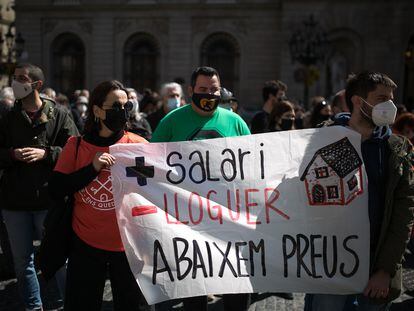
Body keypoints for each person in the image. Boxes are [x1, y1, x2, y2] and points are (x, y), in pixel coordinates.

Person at [306, 71, 414, 310]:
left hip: (375, 268)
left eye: (391, 99)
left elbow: (404, 212)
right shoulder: (323, 139)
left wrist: (386, 270)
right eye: (381, 98)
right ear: (357, 101)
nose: (390, 105)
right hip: (329, 265)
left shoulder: (396, 149)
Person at [152, 66, 251, 311]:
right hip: (188, 222)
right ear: (191, 90)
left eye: (214, 89)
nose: (209, 94)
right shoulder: (171, 122)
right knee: (194, 290)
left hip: (229, 220)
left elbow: (253, 165)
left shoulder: (235, 122)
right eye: (203, 89)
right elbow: (151, 161)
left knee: (235, 285)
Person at [48, 80, 149, 310]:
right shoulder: (76, 145)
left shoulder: (139, 145)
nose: (122, 112)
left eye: (126, 106)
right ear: (96, 110)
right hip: (85, 245)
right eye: (115, 106)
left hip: (129, 248)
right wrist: (91, 169)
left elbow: (156, 189)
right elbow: (55, 189)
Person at [0, 63, 79, 311]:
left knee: (59, 259)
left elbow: (74, 150)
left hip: (49, 200)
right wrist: (12, 155)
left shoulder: (60, 115)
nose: (15, 84)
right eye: (14, 79)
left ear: (37, 84)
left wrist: (45, 154)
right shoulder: (8, 117)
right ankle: (33, 307)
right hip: (15, 202)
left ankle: (67, 304)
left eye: (21, 79)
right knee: (23, 262)